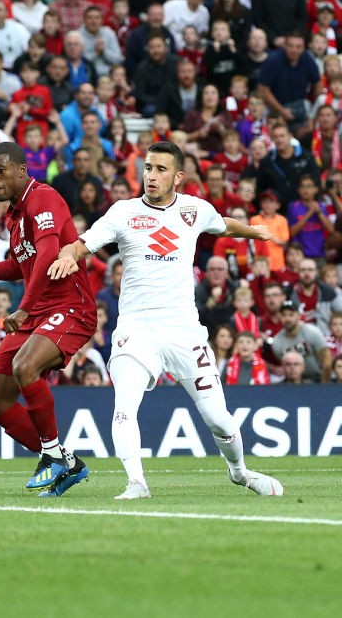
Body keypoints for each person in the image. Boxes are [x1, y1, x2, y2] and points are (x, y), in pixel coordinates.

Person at [48, 140, 283, 500]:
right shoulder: (123, 212)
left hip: (184, 330)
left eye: (160, 170)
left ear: (178, 176)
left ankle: (239, 473)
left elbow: (223, 226)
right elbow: (85, 242)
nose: (151, 176)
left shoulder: (194, 210)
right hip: (135, 330)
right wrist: (70, 254)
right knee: (124, 405)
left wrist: (254, 231)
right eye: (147, 168)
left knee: (218, 418)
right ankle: (136, 483)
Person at [0, 142, 95, 497]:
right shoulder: (13, 214)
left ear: (22, 170)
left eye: (0, 171)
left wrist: (24, 307)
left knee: (24, 368)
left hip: (69, 306)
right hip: (37, 311)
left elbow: (46, 254)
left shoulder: (43, 198)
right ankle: (64, 459)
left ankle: (53, 458)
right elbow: (20, 264)